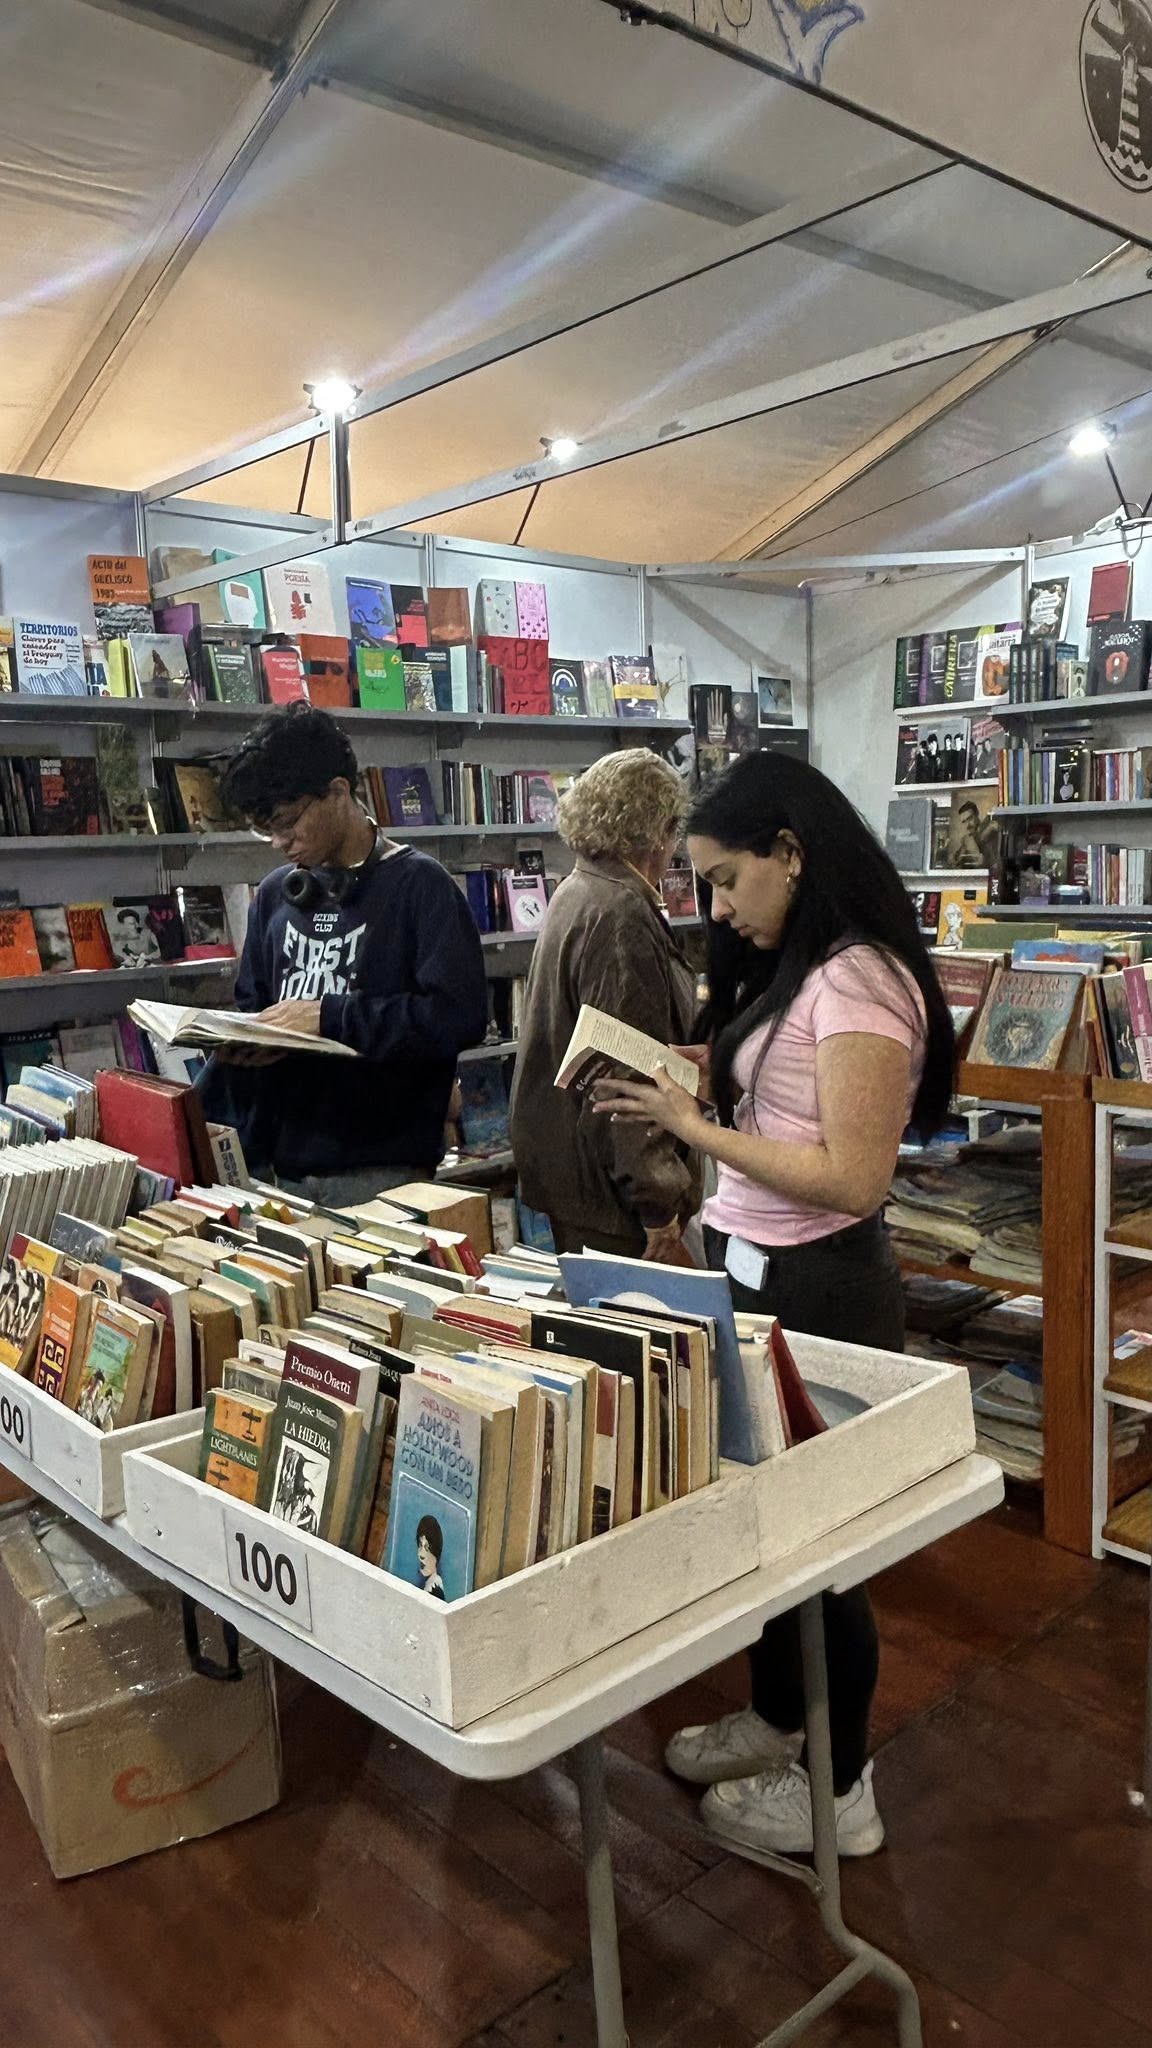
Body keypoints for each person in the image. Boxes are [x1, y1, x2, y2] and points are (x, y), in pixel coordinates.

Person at [592, 750, 955, 1860]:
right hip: (753, 1267)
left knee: (826, 1551)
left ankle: (842, 1787)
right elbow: (789, 1092)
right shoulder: (801, 965)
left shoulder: (859, 977)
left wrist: (692, 1129)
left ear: (791, 853)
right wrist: (695, 1066)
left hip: (821, 1285)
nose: (716, 906)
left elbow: (852, 1175)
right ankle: (779, 1715)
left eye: (727, 879)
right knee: (766, 1525)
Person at [199, 703, 488, 1206]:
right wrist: (247, 1041)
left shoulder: (422, 887)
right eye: (264, 829)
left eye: (288, 822)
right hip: (281, 1170)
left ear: (338, 791)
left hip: (384, 1172)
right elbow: (255, 1003)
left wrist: (328, 1017)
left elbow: (457, 1017)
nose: (278, 842)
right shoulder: (274, 894)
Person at [510, 748, 703, 1260]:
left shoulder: (579, 889)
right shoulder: (620, 914)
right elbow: (625, 1075)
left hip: (579, 1180)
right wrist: (658, 1207)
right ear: (660, 830)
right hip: (613, 1199)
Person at [416, 1515, 447, 1598]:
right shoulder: (427, 1586)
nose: (421, 1555)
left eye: (427, 1547)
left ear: (436, 1552)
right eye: (420, 1545)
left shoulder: (435, 1591)